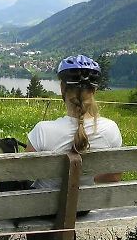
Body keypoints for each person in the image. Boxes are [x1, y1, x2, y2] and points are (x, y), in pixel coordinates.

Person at [26, 54, 123, 187]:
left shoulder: (42, 130)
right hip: (90, 206)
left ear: (62, 88)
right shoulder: (110, 129)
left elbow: (26, 174)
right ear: (94, 90)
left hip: (44, 207)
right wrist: (88, 178)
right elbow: (114, 177)